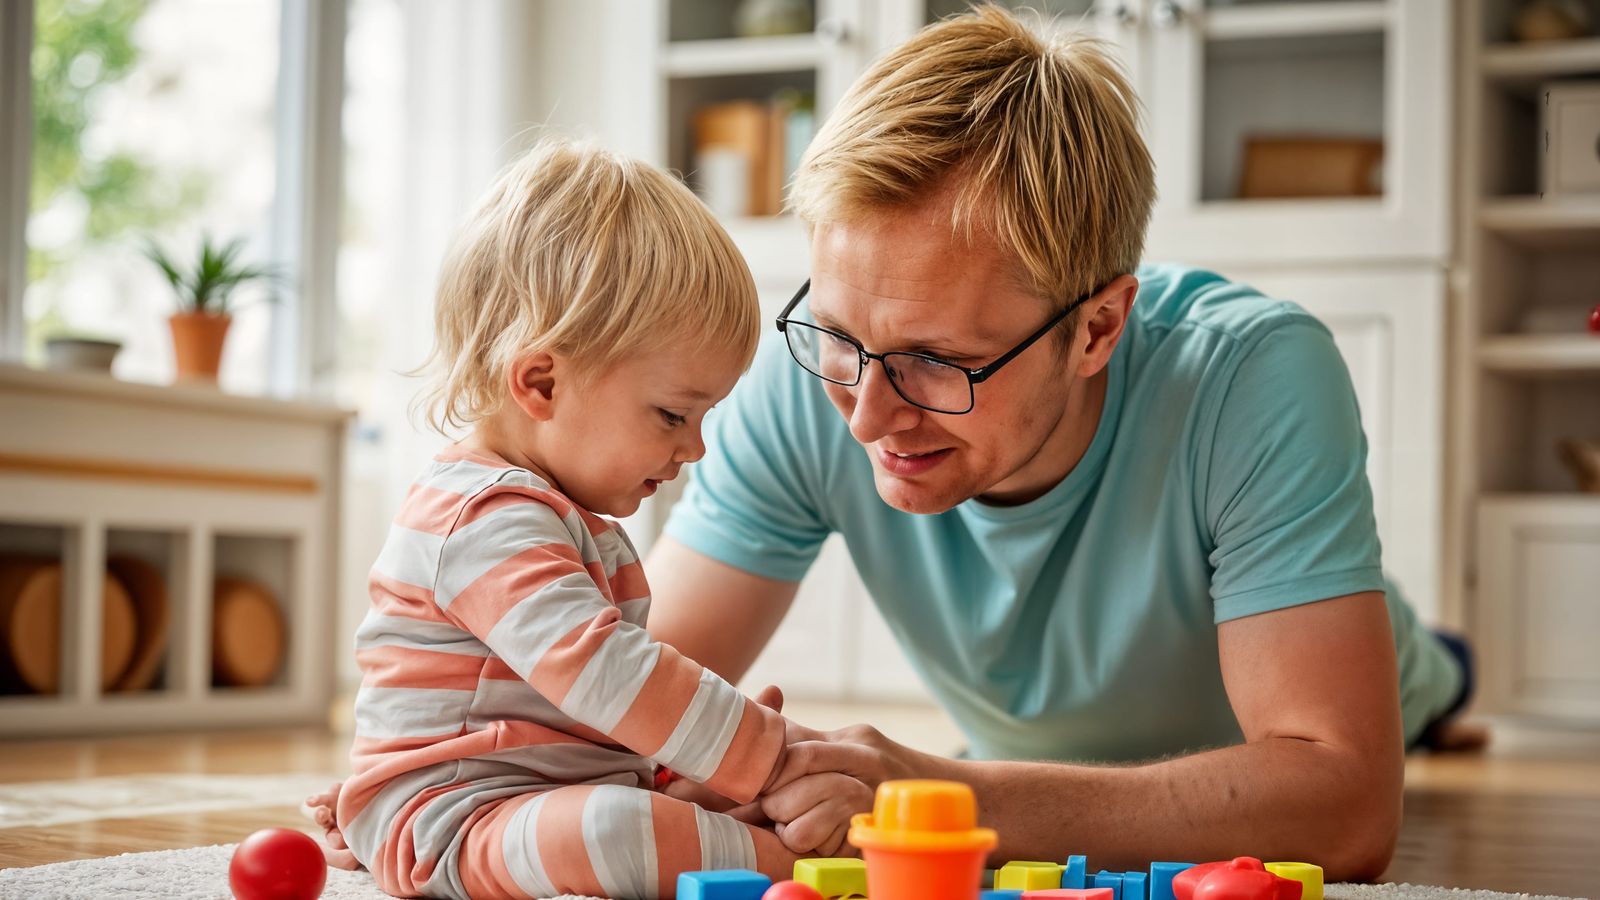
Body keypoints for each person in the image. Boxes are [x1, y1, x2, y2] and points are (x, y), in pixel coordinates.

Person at [642, 6, 1480, 882]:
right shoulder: (818, 380)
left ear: (1098, 328)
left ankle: (1444, 669)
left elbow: (1345, 809)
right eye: (838, 334)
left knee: (1431, 675)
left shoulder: (1252, 375)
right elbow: (623, 684)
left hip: (1348, 679)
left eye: (938, 361)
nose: (866, 418)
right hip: (1027, 747)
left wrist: (949, 795)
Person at [322, 138, 865, 900]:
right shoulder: (479, 516)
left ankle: (761, 839)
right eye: (674, 413)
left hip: (531, 795)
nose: (696, 448)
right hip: (452, 814)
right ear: (541, 381)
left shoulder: (570, 513)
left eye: (705, 416)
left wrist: (700, 760)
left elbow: (585, 717)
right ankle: (831, 873)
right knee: (618, 831)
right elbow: (602, 672)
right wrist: (768, 756)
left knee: (652, 807)